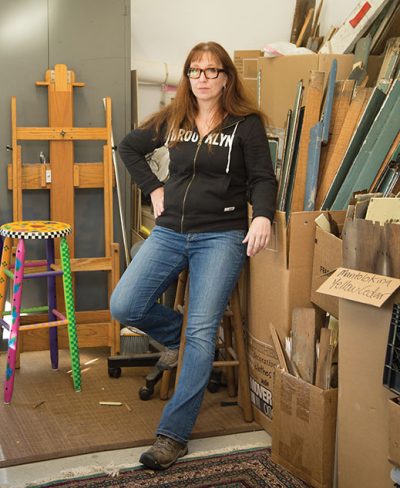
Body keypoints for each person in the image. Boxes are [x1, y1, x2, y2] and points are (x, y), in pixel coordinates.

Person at [111, 41, 277, 470]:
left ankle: (173, 435)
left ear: (226, 78)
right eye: (195, 71)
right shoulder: (174, 119)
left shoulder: (246, 124)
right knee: (125, 304)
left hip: (220, 236)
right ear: (187, 77)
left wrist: (262, 216)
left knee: (202, 332)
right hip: (170, 233)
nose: (203, 78)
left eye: (212, 71)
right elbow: (127, 148)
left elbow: (262, 177)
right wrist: (154, 187)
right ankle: (179, 336)